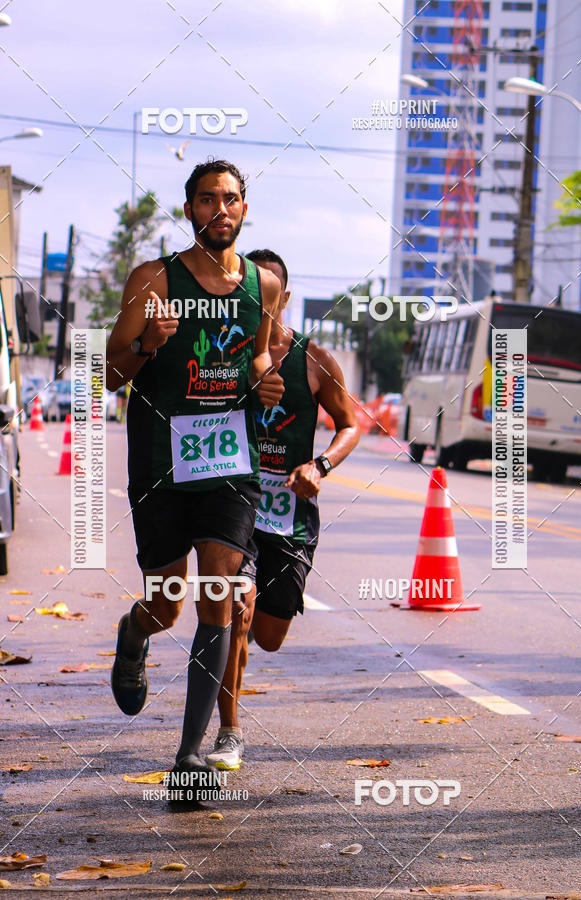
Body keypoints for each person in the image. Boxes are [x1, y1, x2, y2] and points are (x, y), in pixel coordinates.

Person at [105, 160, 284, 788]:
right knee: (168, 602)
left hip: (231, 460)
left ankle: (189, 756)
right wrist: (150, 342)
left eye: (231, 199)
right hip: (161, 459)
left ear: (243, 209)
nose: (221, 210)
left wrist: (265, 379)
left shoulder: (262, 284)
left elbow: (259, 352)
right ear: (189, 210)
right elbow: (112, 374)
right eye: (207, 199)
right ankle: (135, 631)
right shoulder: (153, 279)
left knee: (219, 594)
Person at [205, 249, 360, 771]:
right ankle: (229, 732)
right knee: (237, 609)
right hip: (237, 505)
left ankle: (228, 718)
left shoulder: (313, 360)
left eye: (270, 293)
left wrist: (320, 466)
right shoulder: (224, 353)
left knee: (268, 636)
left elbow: (351, 423)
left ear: (285, 299)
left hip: (290, 516)